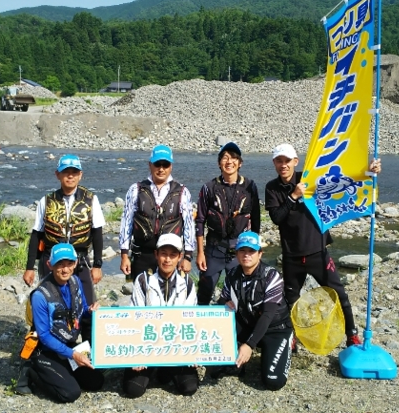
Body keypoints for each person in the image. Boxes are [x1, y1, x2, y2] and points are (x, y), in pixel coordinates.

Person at [265, 143, 381, 347]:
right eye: (279, 161)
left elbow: (341, 180)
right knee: (291, 299)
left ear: (295, 161)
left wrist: (368, 172)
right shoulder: (272, 188)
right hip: (291, 255)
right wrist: (293, 196)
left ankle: (352, 334)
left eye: (287, 161)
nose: (283, 165)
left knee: (339, 294)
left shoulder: (309, 178)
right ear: (274, 163)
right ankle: (291, 337)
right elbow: (277, 217)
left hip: (318, 251)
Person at [17, 154, 104, 394]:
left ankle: (87, 357)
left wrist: (97, 264)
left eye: (74, 172)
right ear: (58, 174)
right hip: (51, 260)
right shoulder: (46, 200)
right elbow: (36, 234)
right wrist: (29, 266)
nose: (70, 175)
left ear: (80, 175)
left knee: (85, 311)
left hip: (80, 259)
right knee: (43, 312)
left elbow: (97, 232)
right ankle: (29, 366)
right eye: (66, 171)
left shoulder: (90, 199)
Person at [210, 231, 292, 391]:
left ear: (260, 254)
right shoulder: (232, 275)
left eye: (251, 251)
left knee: (273, 381)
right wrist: (225, 303)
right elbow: (221, 301)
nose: (246, 255)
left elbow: (268, 314)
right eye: (242, 250)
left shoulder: (271, 276)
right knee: (221, 322)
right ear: (237, 253)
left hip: (275, 329)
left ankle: (285, 343)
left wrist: (249, 345)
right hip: (248, 324)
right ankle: (238, 357)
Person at [23, 243, 104, 403]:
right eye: (59, 264)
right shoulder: (40, 295)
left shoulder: (75, 281)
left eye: (69, 264)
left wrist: (90, 310)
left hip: (68, 344)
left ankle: (64, 369)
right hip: (46, 349)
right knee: (70, 394)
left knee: (96, 382)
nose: (65, 269)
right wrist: (73, 354)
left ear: (75, 264)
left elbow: (78, 310)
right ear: (49, 265)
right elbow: (44, 335)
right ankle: (31, 369)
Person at [122, 233, 199, 398]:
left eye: (173, 255)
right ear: (156, 255)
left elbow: (191, 319)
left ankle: (166, 369)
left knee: (189, 387)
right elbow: (134, 318)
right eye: (164, 254)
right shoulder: (143, 280)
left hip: (176, 347)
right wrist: (136, 354)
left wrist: (193, 352)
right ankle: (157, 369)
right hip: (147, 346)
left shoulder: (188, 283)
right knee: (133, 389)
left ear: (179, 257)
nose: (167, 260)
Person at [195, 142, 260, 305]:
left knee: (238, 294)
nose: (229, 161)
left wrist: (255, 250)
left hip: (239, 250)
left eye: (233, 158)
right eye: (225, 158)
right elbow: (200, 220)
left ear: (240, 163)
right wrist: (200, 253)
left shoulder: (250, 186)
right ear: (219, 163)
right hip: (213, 250)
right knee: (205, 291)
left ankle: (236, 328)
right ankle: (200, 327)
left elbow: (256, 219)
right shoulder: (209, 188)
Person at [118, 144, 195, 281]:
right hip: (142, 254)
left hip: (170, 257)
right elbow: (126, 223)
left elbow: (189, 225)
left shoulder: (182, 192)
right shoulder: (136, 189)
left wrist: (188, 256)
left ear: (171, 166)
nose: (161, 169)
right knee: (142, 297)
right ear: (150, 165)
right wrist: (124, 255)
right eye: (157, 164)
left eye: (165, 165)